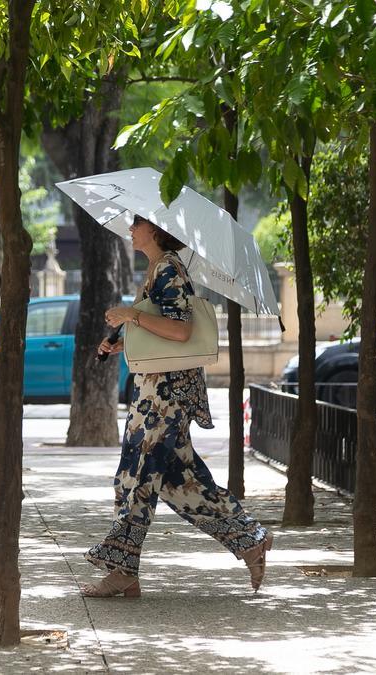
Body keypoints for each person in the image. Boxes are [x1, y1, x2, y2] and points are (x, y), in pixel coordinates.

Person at [82, 214, 272, 598]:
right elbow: (159, 332)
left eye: (136, 225)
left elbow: (181, 330)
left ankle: (122, 567)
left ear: (154, 230)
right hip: (154, 392)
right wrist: (124, 341)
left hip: (166, 398)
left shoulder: (170, 269)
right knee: (181, 482)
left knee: (135, 478)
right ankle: (249, 538)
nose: (131, 230)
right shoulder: (157, 270)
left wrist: (130, 314)